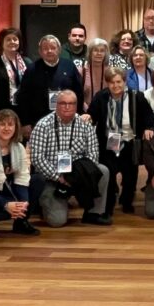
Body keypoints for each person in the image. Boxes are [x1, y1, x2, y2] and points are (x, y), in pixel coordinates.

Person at [29, 90, 111, 227]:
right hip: (52, 178)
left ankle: (93, 213)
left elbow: (93, 154)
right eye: (63, 103)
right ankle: (45, 205)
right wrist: (59, 176)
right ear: (56, 105)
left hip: (78, 175)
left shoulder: (85, 124)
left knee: (103, 170)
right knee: (57, 222)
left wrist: (76, 176)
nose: (67, 107)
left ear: (76, 105)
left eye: (71, 103)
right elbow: (37, 158)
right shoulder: (43, 125)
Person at [85, 68, 154, 214]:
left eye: (119, 82)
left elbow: (149, 115)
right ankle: (109, 202)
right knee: (108, 174)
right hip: (107, 142)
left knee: (130, 175)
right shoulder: (100, 97)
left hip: (129, 141)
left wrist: (148, 128)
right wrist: (88, 117)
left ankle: (127, 201)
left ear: (124, 82)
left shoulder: (136, 96)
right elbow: (92, 114)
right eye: (112, 82)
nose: (115, 85)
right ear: (107, 83)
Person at [16, 35, 85, 133]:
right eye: (45, 48)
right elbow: (23, 97)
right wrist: (25, 122)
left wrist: (78, 115)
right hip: (39, 122)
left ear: (59, 50)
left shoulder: (69, 66)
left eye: (53, 48)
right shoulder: (32, 69)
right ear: (40, 52)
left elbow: (79, 93)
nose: (49, 51)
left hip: (67, 120)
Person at [0, 27, 28, 118]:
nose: (12, 42)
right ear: (2, 43)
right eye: (8, 39)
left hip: (23, 112)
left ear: (19, 42)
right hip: (0, 112)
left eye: (15, 39)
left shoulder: (27, 62)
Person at [81, 37, 110, 108]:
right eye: (96, 50)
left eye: (102, 51)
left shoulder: (110, 71)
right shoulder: (82, 71)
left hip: (106, 111)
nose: (99, 53)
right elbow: (76, 93)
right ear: (90, 53)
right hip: (86, 111)